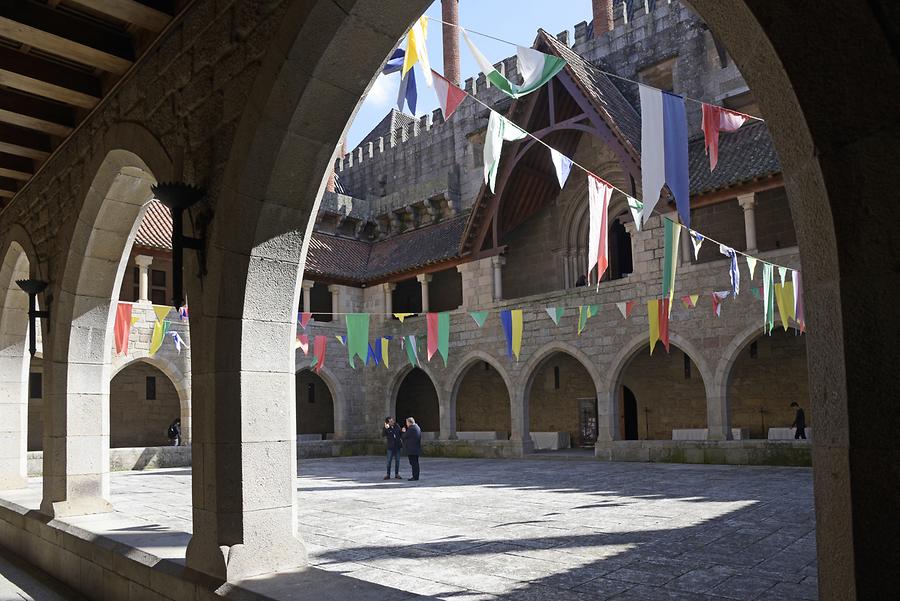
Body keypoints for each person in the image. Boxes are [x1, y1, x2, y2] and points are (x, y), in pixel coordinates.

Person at [401, 417, 422, 481]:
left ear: (410, 422)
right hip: (416, 449)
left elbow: (404, 436)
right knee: (415, 463)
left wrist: (403, 431)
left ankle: (415, 477)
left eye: (407, 422)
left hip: (412, 449)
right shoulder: (417, 427)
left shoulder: (411, 428)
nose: (406, 424)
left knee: (414, 463)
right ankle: (416, 476)